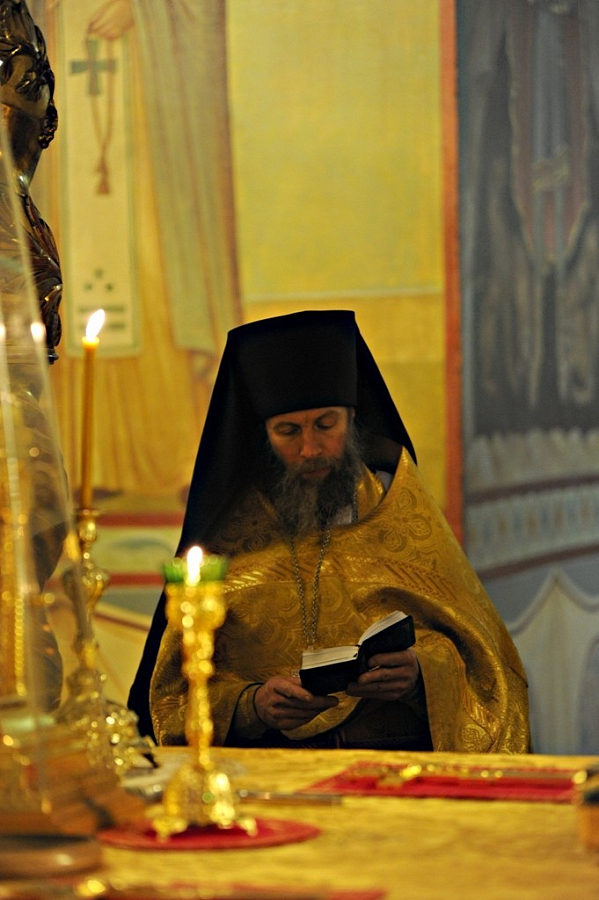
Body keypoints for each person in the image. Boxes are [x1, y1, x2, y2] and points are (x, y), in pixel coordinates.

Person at [129, 310, 531, 752]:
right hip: (273, 773)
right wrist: (252, 705)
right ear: (261, 435)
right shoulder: (226, 536)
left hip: (396, 767)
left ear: (352, 419)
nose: (310, 448)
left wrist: (421, 674)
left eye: (326, 425)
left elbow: (488, 669)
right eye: (288, 431)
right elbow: (170, 698)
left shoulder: (397, 507)